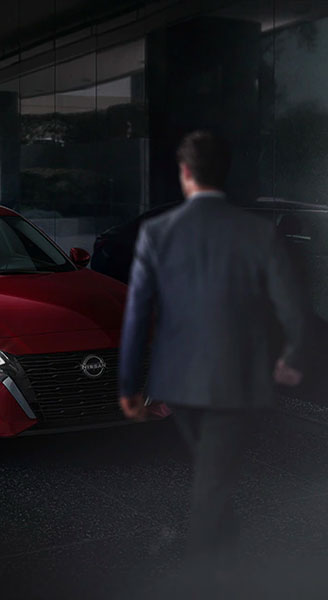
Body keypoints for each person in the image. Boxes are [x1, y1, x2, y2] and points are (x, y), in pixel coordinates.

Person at [118, 130, 307, 569]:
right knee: (214, 475)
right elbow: (293, 308)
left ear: (185, 173)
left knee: (211, 469)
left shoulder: (156, 232)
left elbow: (137, 314)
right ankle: (206, 571)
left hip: (177, 382)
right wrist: (292, 358)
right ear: (225, 174)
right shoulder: (257, 232)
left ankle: (218, 550)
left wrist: (129, 384)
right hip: (237, 378)